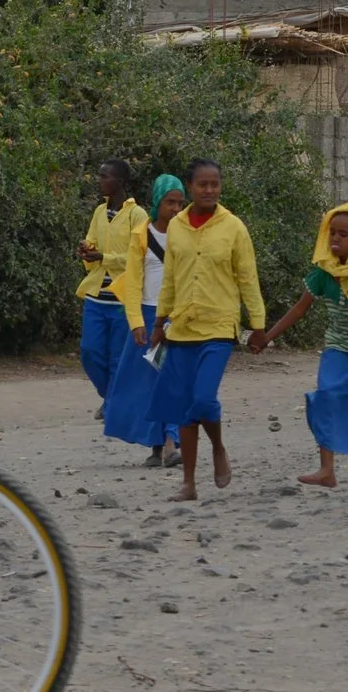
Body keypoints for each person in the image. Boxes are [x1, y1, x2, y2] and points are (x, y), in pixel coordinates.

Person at [253, 204, 348, 501]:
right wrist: (267, 337)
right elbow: (299, 309)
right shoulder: (323, 271)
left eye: (344, 234)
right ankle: (326, 470)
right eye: (332, 233)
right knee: (325, 397)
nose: (336, 239)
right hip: (338, 348)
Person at [152, 160, 266, 502]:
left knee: (202, 399)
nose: (209, 190)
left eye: (215, 184)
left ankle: (217, 446)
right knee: (186, 406)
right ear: (189, 186)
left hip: (218, 327)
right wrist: (159, 322)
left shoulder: (233, 227)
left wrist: (258, 326)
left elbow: (248, 278)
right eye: (202, 184)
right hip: (182, 328)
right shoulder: (177, 227)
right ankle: (188, 484)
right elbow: (170, 278)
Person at [104, 175, 186, 465]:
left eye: (180, 203)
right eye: (169, 202)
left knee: (172, 379)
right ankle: (157, 445)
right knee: (148, 383)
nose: (175, 209)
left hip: (177, 318)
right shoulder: (141, 234)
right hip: (149, 316)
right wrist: (137, 322)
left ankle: (171, 443)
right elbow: (133, 282)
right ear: (157, 202)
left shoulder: (187, 233)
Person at [75, 159, 147, 407]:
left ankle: (113, 407)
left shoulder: (137, 215)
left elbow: (138, 258)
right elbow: (92, 240)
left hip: (122, 299)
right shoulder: (99, 212)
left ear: (120, 181)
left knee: (118, 357)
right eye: (100, 175)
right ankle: (112, 398)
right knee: (89, 352)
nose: (100, 181)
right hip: (96, 296)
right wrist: (86, 250)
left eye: (105, 176)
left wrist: (104, 257)